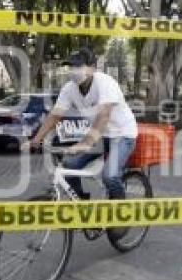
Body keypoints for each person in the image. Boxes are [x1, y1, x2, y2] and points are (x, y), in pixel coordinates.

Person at [25, 47, 138, 207]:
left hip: (122, 134)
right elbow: (55, 115)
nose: (73, 71)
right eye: (71, 66)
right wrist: (36, 140)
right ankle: (82, 207)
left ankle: (121, 213)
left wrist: (85, 143)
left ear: (92, 67)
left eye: (78, 66)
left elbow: (104, 115)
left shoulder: (105, 83)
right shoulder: (69, 88)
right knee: (69, 166)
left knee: (110, 176)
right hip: (101, 136)